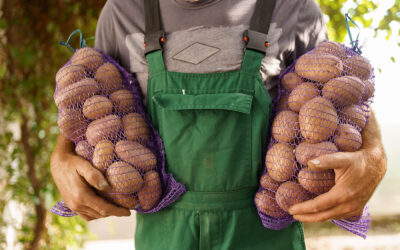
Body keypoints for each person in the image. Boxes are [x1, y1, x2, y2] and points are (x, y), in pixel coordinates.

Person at [50, 0, 387, 249]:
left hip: (264, 235)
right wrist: (60, 155)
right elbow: (97, 105)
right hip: (165, 236)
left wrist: (374, 154)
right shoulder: (124, 11)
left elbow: (334, 94)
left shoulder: (292, 6)